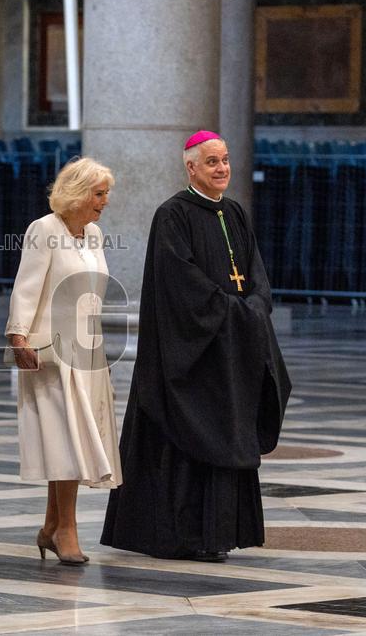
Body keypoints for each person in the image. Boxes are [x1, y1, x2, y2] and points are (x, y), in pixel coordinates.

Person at [100, 131, 291, 562]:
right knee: (190, 432)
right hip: (193, 352)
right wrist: (228, 310)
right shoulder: (172, 215)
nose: (222, 168)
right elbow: (179, 284)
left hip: (230, 349)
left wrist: (256, 307)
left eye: (224, 160)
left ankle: (220, 533)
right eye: (212, 162)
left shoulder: (236, 214)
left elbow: (254, 273)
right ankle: (182, 535)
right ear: (191, 168)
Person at [5, 157, 122, 566]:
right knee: (67, 441)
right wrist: (17, 335)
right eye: (99, 193)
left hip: (87, 349)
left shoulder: (94, 234)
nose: (104, 202)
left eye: (106, 193)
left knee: (72, 438)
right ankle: (66, 529)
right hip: (49, 352)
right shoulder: (45, 229)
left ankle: (52, 526)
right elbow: (27, 285)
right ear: (76, 193)